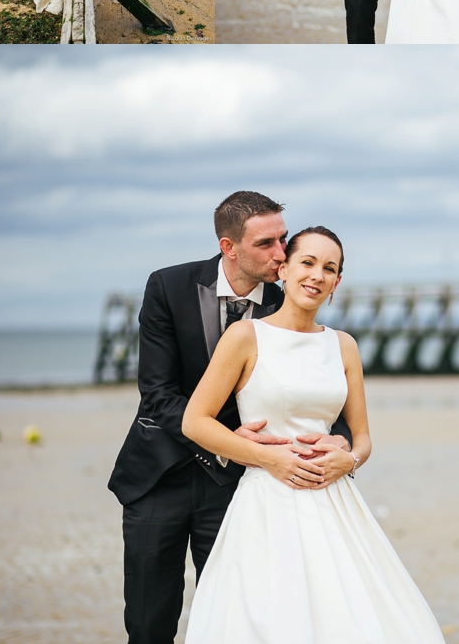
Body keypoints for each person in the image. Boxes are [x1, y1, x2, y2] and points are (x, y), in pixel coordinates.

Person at [107, 192, 352, 644]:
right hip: (160, 475)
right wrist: (218, 435)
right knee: (148, 622)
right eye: (266, 244)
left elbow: (316, 389)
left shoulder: (287, 301)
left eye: (283, 239)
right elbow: (158, 395)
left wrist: (341, 441)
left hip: (239, 486)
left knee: (234, 620)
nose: (282, 254)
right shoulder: (168, 286)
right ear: (229, 247)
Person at [182, 226, 446, 644]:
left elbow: (361, 437)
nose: (317, 275)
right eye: (307, 263)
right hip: (267, 501)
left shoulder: (343, 346)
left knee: (350, 618)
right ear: (283, 268)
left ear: (337, 283)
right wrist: (269, 459)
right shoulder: (246, 337)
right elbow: (195, 421)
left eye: (329, 268)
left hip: (333, 501)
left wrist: (351, 459)